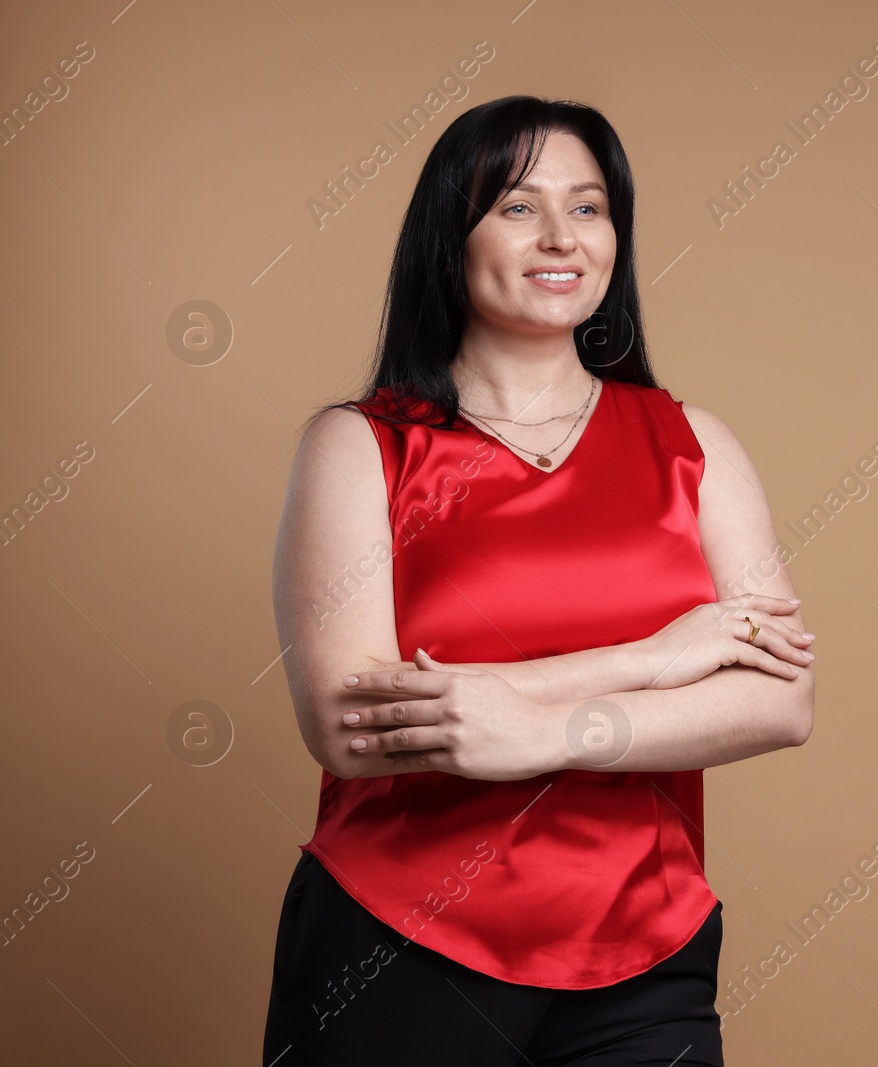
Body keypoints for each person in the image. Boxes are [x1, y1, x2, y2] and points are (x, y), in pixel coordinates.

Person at [262, 95, 815, 1066]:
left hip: (648, 945)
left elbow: (780, 699)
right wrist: (653, 658)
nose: (561, 235)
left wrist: (535, 727)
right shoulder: (361, 447)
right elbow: (349, 732)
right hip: (397, 938)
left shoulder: (695, 445)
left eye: (589, 207)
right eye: (517, 206)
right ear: (449, 235)